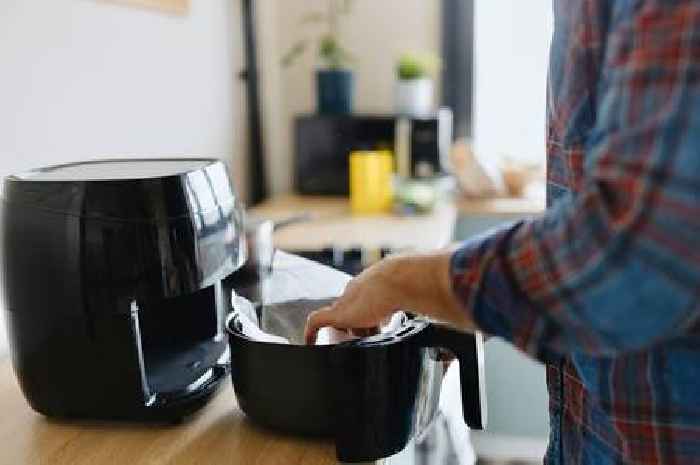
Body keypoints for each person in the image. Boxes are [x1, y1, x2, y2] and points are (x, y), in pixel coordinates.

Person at [304, 1, 700, 464]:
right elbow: (593, 213)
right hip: (585, 436)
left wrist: (404, 280)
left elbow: (633, 255)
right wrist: (463, 300)